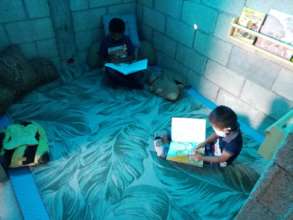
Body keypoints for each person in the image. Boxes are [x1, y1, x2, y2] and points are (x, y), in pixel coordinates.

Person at [99, 18, 143, 89]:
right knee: (110, 73)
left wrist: (121, 60)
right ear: (110, 32)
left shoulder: (126, 39)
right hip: (113, 67)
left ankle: (127, 82)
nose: (117, 38)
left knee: (139, 72)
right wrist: (105, 64)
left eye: (119, 36)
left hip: (126, 65)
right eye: (114, 36)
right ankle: (129, 84)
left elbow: (132, 56)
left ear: (123, 32)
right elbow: (102, 56)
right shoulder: (105, 41)